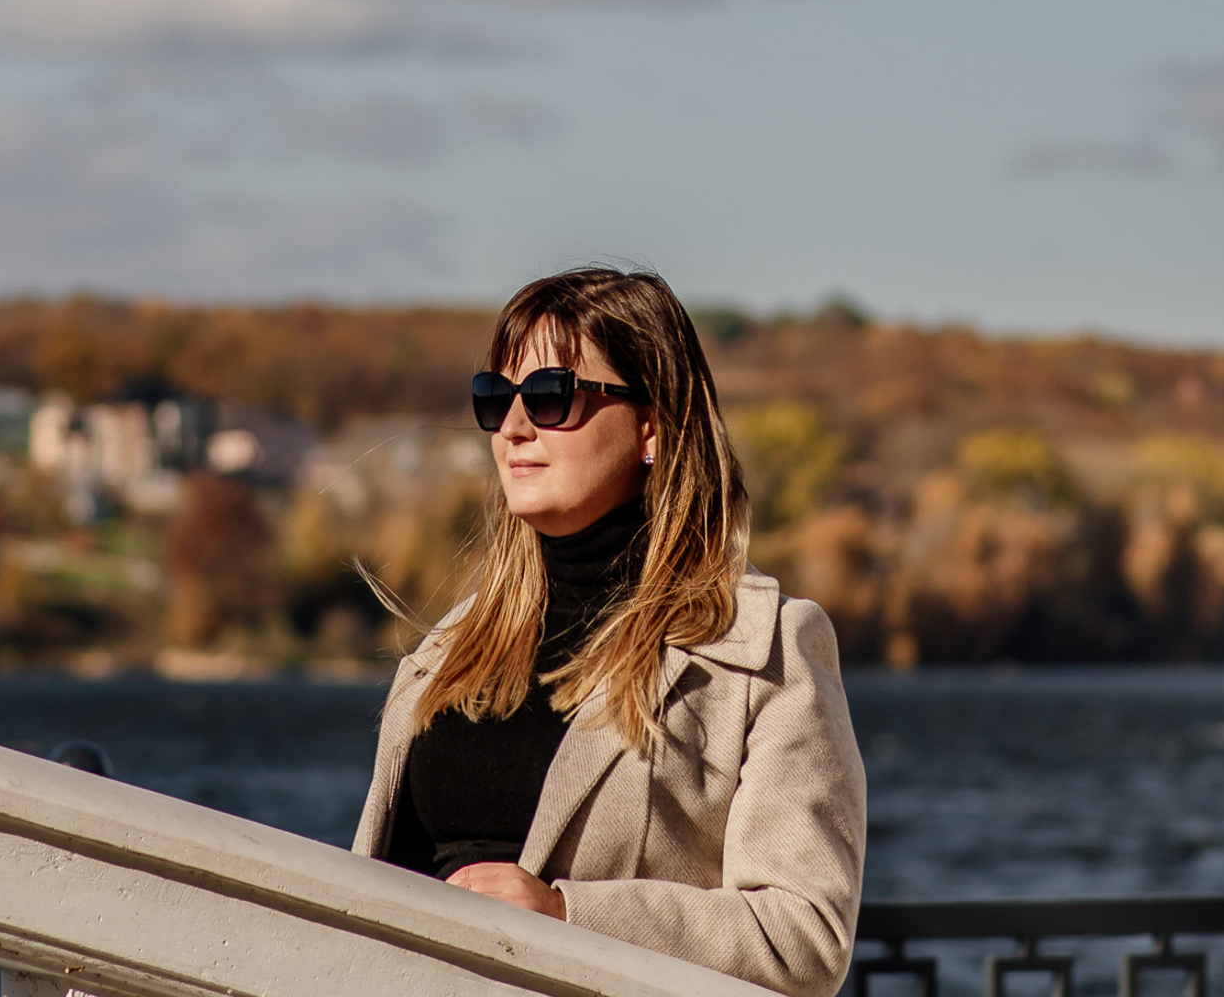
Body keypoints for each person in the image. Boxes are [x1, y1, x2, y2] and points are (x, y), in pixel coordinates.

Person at [354, 266, 866, 997]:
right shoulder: (446, 652)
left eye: (552, 396)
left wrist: (565, 914)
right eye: (496, 399)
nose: (515, 426)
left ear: (651, 425)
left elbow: (802, 937)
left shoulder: (763, 650)